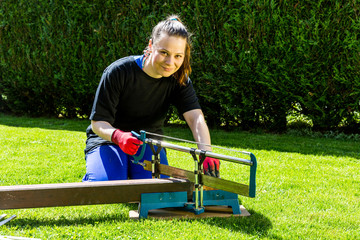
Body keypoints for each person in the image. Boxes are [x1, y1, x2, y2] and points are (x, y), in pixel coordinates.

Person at [83, 15, 220, 182]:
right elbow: (97, 124)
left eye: (178, 56)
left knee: (154, 189)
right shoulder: (118, 71)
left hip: (149, 144)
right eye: (164, 53)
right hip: (109, 140)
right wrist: (119, 136)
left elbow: (195, 118)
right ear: (150, 46)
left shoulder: (179, 79)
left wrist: (206, 151)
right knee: (107, 185)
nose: (170, 62)